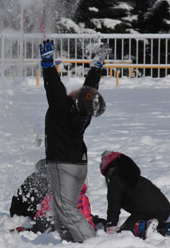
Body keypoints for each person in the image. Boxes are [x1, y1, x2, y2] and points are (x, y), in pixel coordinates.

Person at [40, 39, 107, 243]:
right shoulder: (83, 113)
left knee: (67, 209)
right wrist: (96, 68)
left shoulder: (62, 106)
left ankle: (92, 243)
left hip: (63, 164)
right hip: (79, 164)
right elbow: (90, 89)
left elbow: (53, 86)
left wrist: (47, 64)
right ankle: (70, 238)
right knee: (64, 206)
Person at [100, 151, 170, 239]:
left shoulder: (116, 180)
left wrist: (111, 225)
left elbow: (114, 204)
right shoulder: (136, 178)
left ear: (109, 169)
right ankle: (164, 228)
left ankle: (144, 227)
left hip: (146, 211)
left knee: (125, 233)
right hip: (165, 209)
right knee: (154, 227)